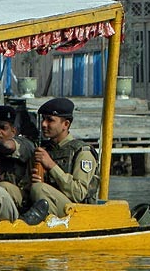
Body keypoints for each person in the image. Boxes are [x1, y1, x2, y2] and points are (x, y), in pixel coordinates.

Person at [20, 97, 99, 226]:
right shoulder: (43, 151)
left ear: (66, 124)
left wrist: (51, 166)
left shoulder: (82, 152)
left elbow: (78, 193)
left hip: (76, 214)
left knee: (40, 189)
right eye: (43, 119)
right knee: (7, 188)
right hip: (47, 204)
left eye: (50, 120)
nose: (44, 124)